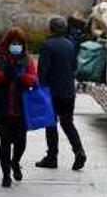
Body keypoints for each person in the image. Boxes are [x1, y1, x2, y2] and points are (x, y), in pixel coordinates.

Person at [0, 27, 39, 188]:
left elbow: (34, 80)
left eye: (19, 43)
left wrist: (23, 78)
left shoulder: (28, 60)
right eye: (13, 43)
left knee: (21, 142)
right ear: (7, 43)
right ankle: (6, 174)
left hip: (21, 109)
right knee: (5, 142)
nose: (16, 46)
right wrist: (3, 75)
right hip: (2, 107)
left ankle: (15, 162)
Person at [37, 16, 88, 170]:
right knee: (68, 123)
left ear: (51, 28)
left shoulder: (48, 45)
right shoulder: (70, 44)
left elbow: (42, 72)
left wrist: (40, 89)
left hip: (52, 92)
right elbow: (74, 67)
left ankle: (52, 157)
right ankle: (79, 151)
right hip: (68, 92)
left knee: (50, 124)